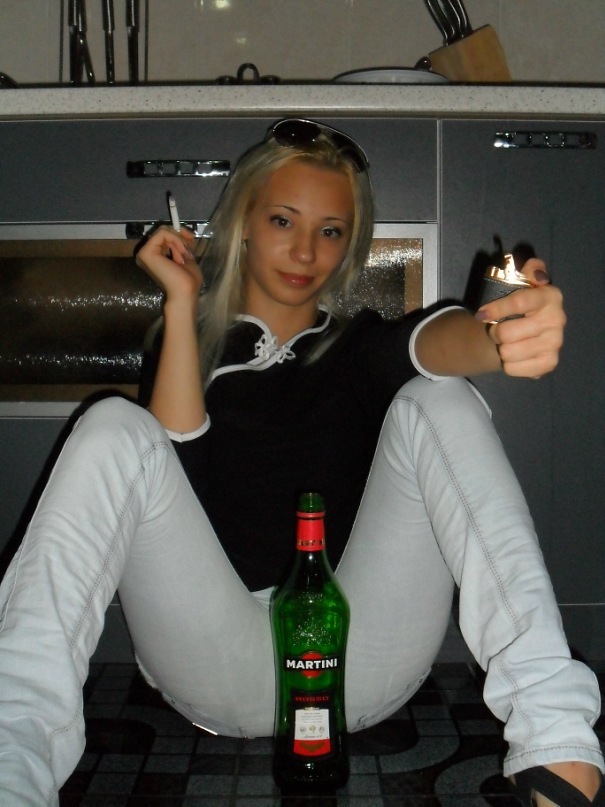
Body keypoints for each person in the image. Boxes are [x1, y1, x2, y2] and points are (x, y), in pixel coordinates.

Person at [0, 118, 602, 807]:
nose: (306, 250)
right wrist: (183, 304)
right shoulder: (191, 350)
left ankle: (554, 738)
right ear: (243, 226)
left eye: (331, 231)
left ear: (348, 247)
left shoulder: (358, 349)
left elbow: (432, 341)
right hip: (211, 661)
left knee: (442, 398)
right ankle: (11, 755)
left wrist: (496, 334)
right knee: (113, 424)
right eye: (283, 220)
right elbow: (174, 462)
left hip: (354, 663)